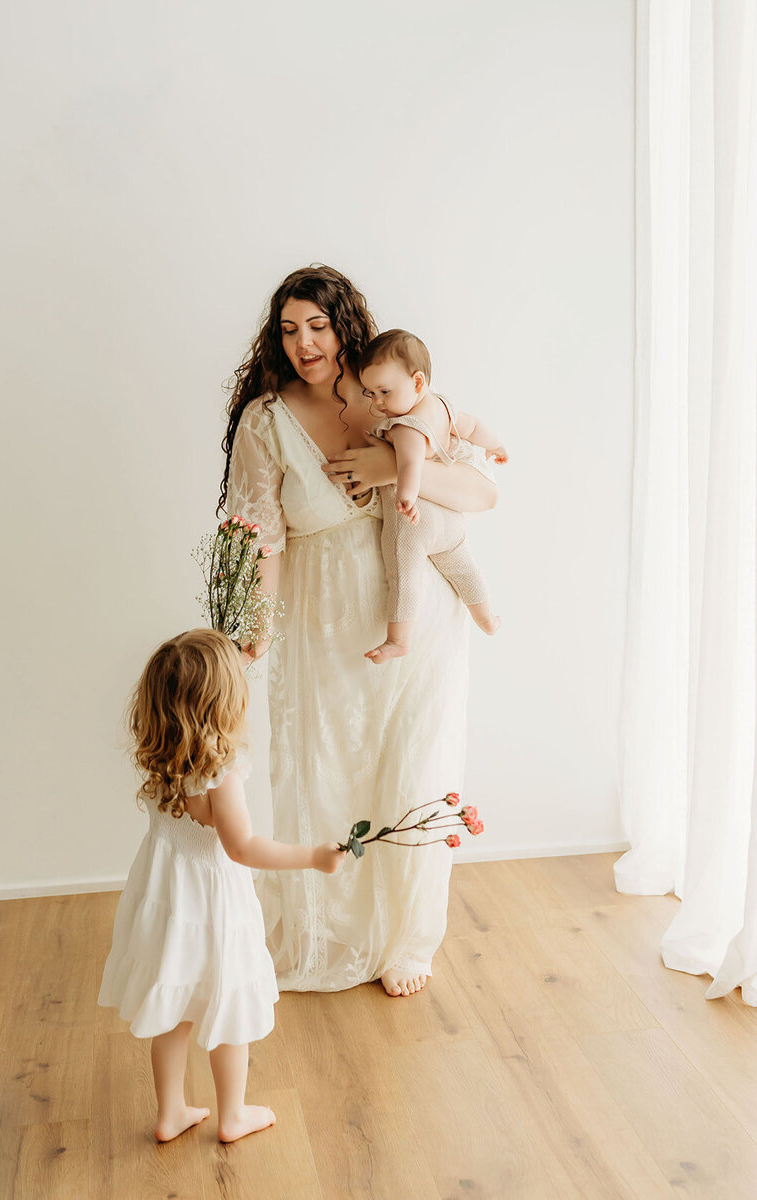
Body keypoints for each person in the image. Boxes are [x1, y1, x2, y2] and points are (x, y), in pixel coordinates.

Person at [219, 264, 497, 998]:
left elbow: (482, 490)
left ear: (346, 324)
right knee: (331, 770)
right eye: (288, 329)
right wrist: (254, 634)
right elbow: (264, 539)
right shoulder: (265, 420)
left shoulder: (394, 396)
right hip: (321, 622)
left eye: (316, 325)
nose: (304, 342)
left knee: (415, 766)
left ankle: (410, 940)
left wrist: (393, 465)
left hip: (419, 616)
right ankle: (333, 929)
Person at [97, 629, 343, 1143]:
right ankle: (231, 1116)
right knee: (227, 1005)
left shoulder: (162, 756)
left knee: (175, 1007)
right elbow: (243, 847)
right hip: (213, 904)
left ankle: (171, 1112)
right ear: (220, 706)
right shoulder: (220, 773)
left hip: (166, 899)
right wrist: (313, 857)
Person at [359, 328, 506, 664]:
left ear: (417, 382)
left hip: (416, 521)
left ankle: (398, 639)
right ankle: (486, 617)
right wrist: (495, 445)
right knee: (464, 567)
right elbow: (471, 427)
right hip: (450, 519)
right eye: (370, 393)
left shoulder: (406, 426)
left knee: (404, 574)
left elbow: (409, 464)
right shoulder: (442, 406)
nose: (377, 402)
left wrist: (407, 497)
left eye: (384, 391)